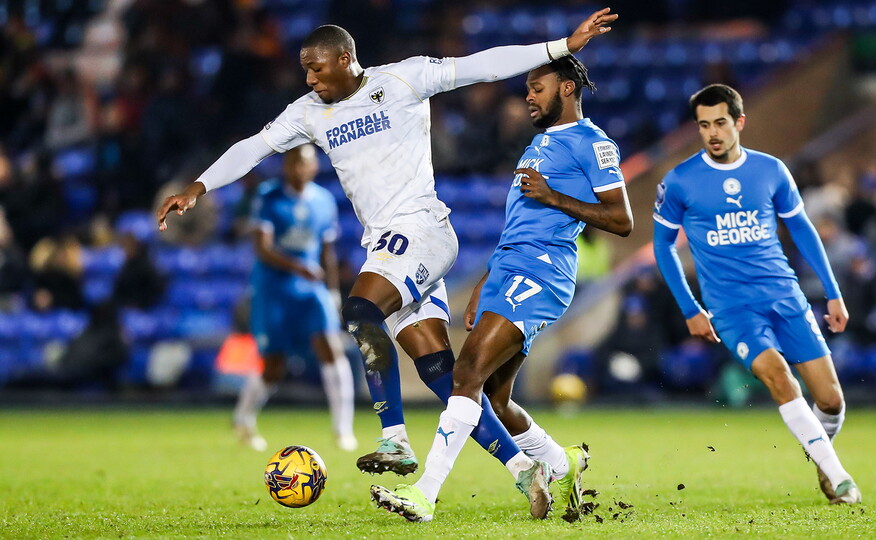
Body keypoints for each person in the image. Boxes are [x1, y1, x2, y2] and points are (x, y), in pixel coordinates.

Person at [156, 10, 619, 516]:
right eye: (305, 70)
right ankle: (530, 467)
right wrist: (198, 187)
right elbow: (253, 148)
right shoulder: (309, 111)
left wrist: (560, 46)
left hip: (421, 231)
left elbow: (483, 65)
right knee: (442, 371)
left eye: (316, 68)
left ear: (345, 59)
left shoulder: (403, 79)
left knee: (358, 310)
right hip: (385, 244)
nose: (309, 79)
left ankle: (395, 436)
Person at [371, 55, 633, 522]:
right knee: (493, 397)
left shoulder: (593, 144)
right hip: (509, 271)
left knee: (465, 373)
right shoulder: (537, 145)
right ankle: (560, 462)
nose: (528, 96)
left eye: (538, 87)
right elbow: (520, 224)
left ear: (568, 88)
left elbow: (622, 219)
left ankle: (425, 494)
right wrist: (486, 279)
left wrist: (556, 198)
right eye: (527, 88)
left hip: (543, 272)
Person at [651, 84, 861, 504]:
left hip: (784, 296)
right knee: (779, 378)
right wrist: (691, 307)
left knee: (832, 401)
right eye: (704, 125)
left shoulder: (771, 171)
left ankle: (820, 453)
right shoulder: (680, 182)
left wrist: (834, 293)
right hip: (732, 308)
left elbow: (802, 230)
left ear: (739, 122)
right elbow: (662, 246)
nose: (712, 133)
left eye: (721, 123)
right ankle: (840, 479)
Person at [231, 144, 357, 452]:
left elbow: (327, 250)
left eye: (303, 164)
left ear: (314, 167)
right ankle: (243, 419)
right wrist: (299, 266)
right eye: (292, 163)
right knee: (273, 364)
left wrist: (332, 291)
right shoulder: (268, 196)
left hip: (312, 289)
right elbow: (262, 248)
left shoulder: (324, 201)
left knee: (331, 348)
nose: (297, 169)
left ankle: (343, 429)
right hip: (274, 288)